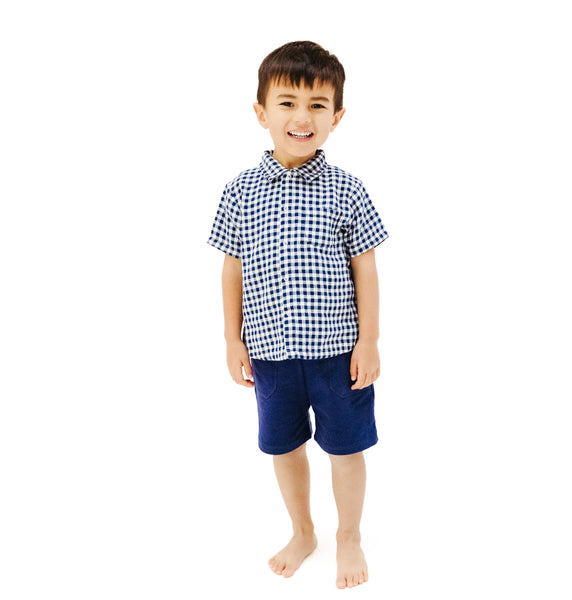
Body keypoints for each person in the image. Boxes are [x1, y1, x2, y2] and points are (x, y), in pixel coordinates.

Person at [207, 40, 389, 589]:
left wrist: (369, 340)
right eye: (287, 103)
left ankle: (348, 535)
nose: (301, 117)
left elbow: (366, 268)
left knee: (346, 447)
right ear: (261, 112)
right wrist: (232, 339)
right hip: (270, 353)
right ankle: (303, 530)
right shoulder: (239, 191)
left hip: (337, 353)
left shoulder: (347, 189)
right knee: (283, 445)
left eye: (317, 105)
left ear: (337, 116)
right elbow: (232, 270)